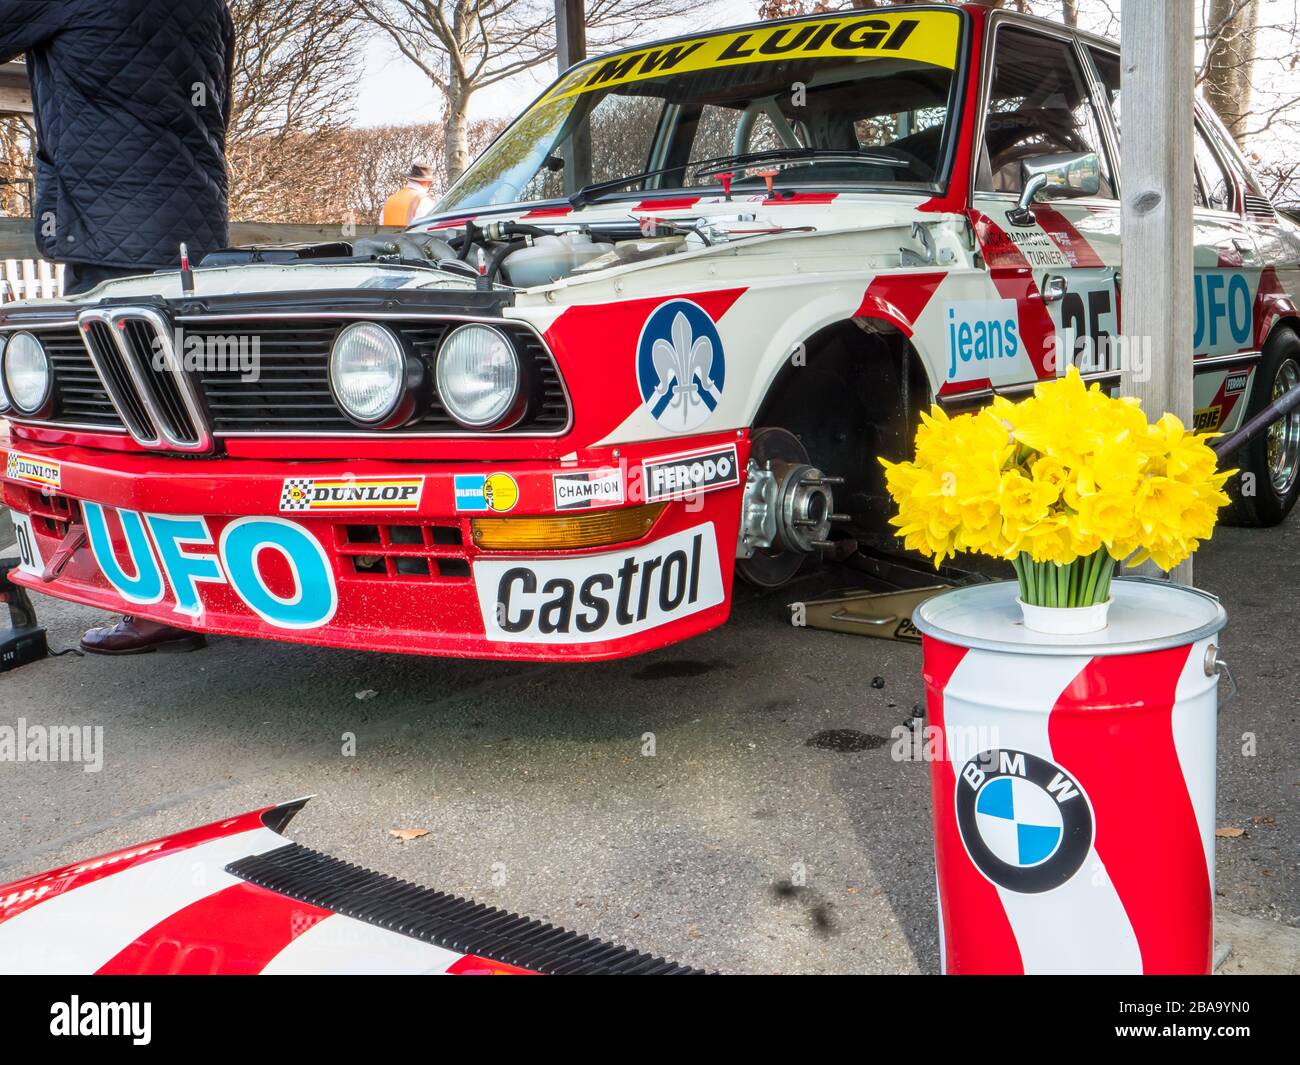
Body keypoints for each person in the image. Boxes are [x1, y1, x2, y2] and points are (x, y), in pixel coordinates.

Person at [0, 0, 235, 654]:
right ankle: (203, 594)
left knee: (120, 423)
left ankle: (157, 604)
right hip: (195, 222)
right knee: (189, 414)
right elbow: (218, 104)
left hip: (109, 230)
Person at [381, 162, 438, 227]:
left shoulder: (391, 199)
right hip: (408, 237)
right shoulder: (423, 200)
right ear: (429, 183)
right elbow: (423, 228)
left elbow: (382, 223)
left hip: (387, 237)